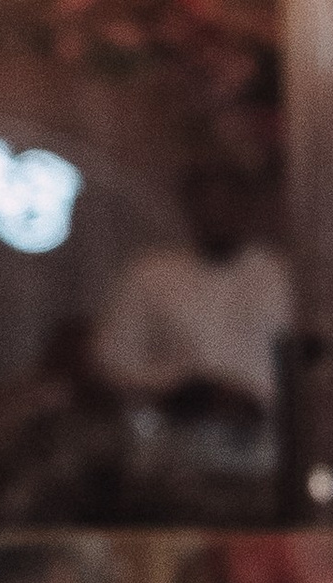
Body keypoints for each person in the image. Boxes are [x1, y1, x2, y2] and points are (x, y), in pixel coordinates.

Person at [94, 162, 292, 433]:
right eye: (206, 199)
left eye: (227, 198)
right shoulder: (150, 275)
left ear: (247, 204)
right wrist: (182, 390)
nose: (216, 211)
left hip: (264, 446)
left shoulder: (281, 277)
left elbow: (301, 372)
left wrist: (253, 401)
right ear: (189, 204)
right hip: (174, 445)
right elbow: (111, 365)